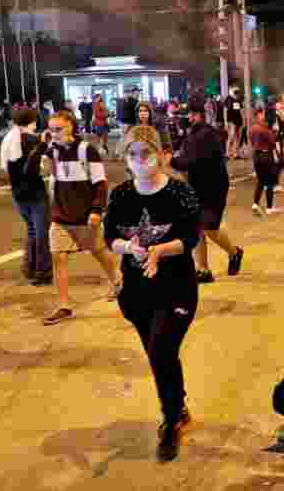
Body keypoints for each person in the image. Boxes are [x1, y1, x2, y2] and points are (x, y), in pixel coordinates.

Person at [104, 125, 201, 462]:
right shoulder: (120, 195)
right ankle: (178, 407)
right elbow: (109, 240)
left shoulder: (180, 192)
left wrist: (159, 251)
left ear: (161, 155)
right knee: (160, 356)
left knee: (161, 348)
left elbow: (191, 238)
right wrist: (128, 247)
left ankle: (171, 421)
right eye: (131, 155)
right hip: (136, 292)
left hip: (177, 289)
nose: (139, 161)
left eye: (145, 153)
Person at [41, 110, 122, 325]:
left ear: (71, 127)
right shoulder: (52, 152)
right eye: (51, 129)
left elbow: (100, 183)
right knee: (58, 256)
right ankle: (64, 305)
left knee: (99, 251)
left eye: (58, 129)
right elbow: (37, 171)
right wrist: (42, 147)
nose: (55, 133)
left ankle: (118, 280)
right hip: (61, 216)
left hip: (85, 215)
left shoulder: (87, 150)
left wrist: (97, 210)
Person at [171, 99, 243, 283]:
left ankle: (234, 253)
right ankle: (203, 270)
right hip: (197, 187)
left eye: (190, 114)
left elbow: (190, 160)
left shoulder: (205, 135)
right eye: (185, 114)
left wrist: (172, 161)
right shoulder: (193, 133)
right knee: (197, 229)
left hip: (213, 188)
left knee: (210, 228)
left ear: (199, 115)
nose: (187, 117)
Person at [1, 107, 53, 286]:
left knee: (32, 230)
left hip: (18, 193)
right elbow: (46, 147)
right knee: (41, 233)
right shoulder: (30, 139)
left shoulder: (9, 138)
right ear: (32, 121)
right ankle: (43, 272)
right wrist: (46, 141)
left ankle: (29, 268)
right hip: (34, 191)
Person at [249, 108, 279, 217]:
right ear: (258, 115)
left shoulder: (252, 128)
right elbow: (273, 140)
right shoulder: (263, 128)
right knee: (269, 182)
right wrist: (275, 131)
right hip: (265, 155)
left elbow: (251, 141)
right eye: (262, 114)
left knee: (260, 181)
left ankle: (255, 204)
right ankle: (269, 208)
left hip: (256, 156)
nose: (264, 116)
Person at [224, 89, 243, 160]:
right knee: (231, 136)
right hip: (231, 121)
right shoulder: (228, 99)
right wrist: (226, 121)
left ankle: (235, 153)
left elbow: (240, 111)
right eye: (236, 94)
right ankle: (227, 154)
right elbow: (225, 110)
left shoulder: (238, 101)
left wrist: (242, 121)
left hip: (238, 121)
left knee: (237, 137)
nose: (237, 96)